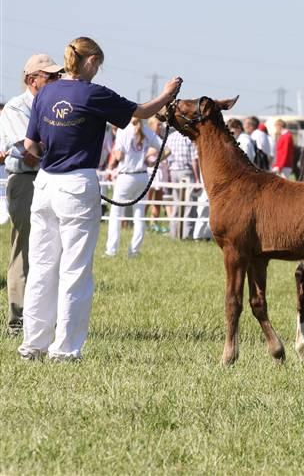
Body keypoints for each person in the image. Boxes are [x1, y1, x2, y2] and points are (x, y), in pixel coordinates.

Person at [17, 36, 181, 361]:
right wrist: (167, 94)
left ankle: (33, 344)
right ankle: (64, 350)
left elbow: (30, 147)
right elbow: (141, 111)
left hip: (46, 183)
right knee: (74, 271)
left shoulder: (46, 92)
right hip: (77, 183)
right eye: (98, 65)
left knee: (42, 267)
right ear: (90, 61)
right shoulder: (94, 93)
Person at [0, 54, 62, 336]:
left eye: (56, 76)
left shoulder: (51, 106)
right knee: (24, 249)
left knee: (52, 250)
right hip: (26, 181)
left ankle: (46, 317)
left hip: (49, 178)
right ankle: (19, 319)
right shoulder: (16, 106)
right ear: (31, 79)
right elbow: (29, 151)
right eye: (49, 76)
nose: (55, 80)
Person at [104, 117, 162, 258]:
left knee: (116, 214)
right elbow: (165, 149)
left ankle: (111, 251)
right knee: (139, 215)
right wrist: (151, 163)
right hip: (142, 176)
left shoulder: (122, 131)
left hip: (126, 176)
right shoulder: (147, 130)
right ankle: (134, 251)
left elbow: (118, 156)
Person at [166, 127, 200, 240]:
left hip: (173, 171)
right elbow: (194, 159)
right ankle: (187, 234)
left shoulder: (170, 137)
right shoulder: (188, 138)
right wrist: (197, 179)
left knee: (176, 203)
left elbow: (167, 157)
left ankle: (174, 233)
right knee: (189, 205)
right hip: (186, 172)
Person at [145, 115, 172, 233]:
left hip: (160, 170)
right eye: (158, 125)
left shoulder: (160, 138)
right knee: (148, 198)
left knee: (158, 199)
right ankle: (141, 220)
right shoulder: (147, 138)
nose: (160, 127)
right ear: (151, 126)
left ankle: (153, 223)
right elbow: (145, 153)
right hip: (150, 171)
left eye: (161, 125)